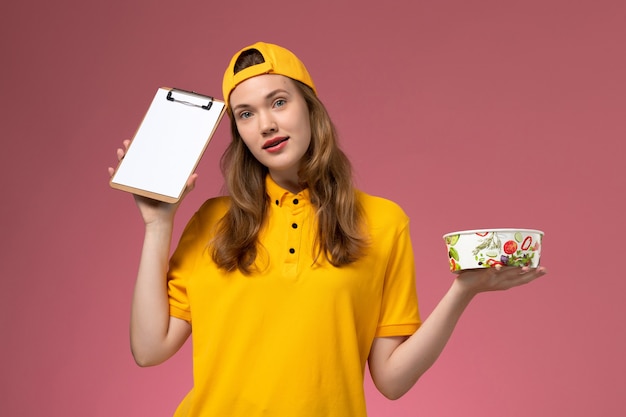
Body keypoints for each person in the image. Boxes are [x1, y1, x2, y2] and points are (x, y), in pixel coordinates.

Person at [109, 42, 547, 417]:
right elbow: (149, 350)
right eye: (246, 114)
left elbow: (392, 381)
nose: (266, 125)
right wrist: (157, 223)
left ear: (309, 107)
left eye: (278, 102)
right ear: (238, 131)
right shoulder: (212, 221)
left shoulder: (384, 222)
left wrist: (462, 292)